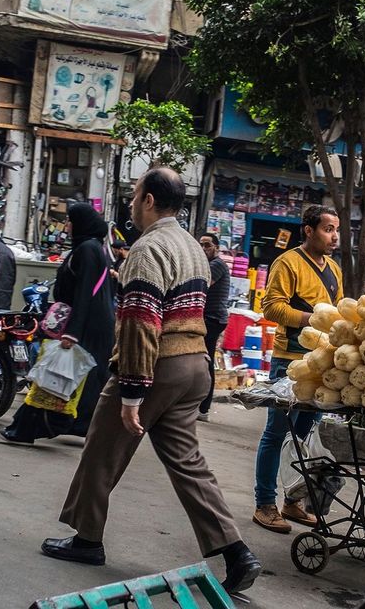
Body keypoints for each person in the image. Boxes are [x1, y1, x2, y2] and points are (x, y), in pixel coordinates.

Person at [39, 168, 261, 594]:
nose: (129, 204)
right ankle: (237, 553)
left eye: (134, 195)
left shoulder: (148, 248)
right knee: (188, 464)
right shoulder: (192, 247)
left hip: (157, 364)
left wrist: (132, 392)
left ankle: (86, 540)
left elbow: (142, 323)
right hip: (195, 365)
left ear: (149, 200)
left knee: (101, 449)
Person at [253, 205, 342, 534]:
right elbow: (272, 307)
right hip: (289, 361)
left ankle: (292, 501)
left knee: (303, 436)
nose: (334, 237)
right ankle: (264, 503)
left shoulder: (333, 269)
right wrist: (313, 318)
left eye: (336, 230)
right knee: (276, 434)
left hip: (320, 364)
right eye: (328, 229)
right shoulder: (287, 262)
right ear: (308, 230)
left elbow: (338, 312)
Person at [0, 203, 115, 443]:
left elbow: (84, 293)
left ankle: (28, 428)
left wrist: (72, 333)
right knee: (74, 380)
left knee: (56, 378)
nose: (67, 226)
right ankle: (72, 426)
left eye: (70, 221)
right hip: (90, 325)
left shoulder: (88, 250)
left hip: (85, 328)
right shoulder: (91, 248)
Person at [198, 232, 231, 422]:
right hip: (208, 318)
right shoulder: (209, 265)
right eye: (201, 245)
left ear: (216, 248)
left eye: (208, 245)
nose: (204, 249)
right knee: (202, 361)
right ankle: (200, 406)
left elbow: (202, 285)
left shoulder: (216, 264)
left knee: (205, 362)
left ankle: (203, 408)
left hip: (212, 319)